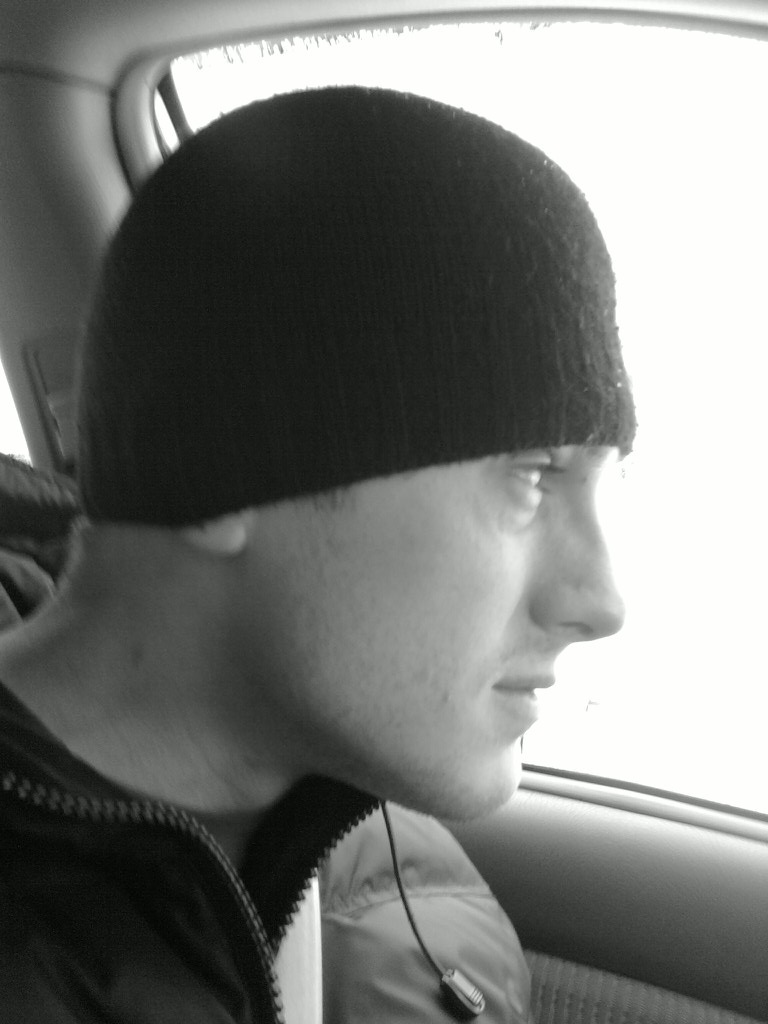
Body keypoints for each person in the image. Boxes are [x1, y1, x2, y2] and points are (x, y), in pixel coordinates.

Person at [0, 85, 636, 1023]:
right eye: (533, 476)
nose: (601, 600)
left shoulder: (332, 806)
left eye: (609, 480)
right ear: (225, 470)